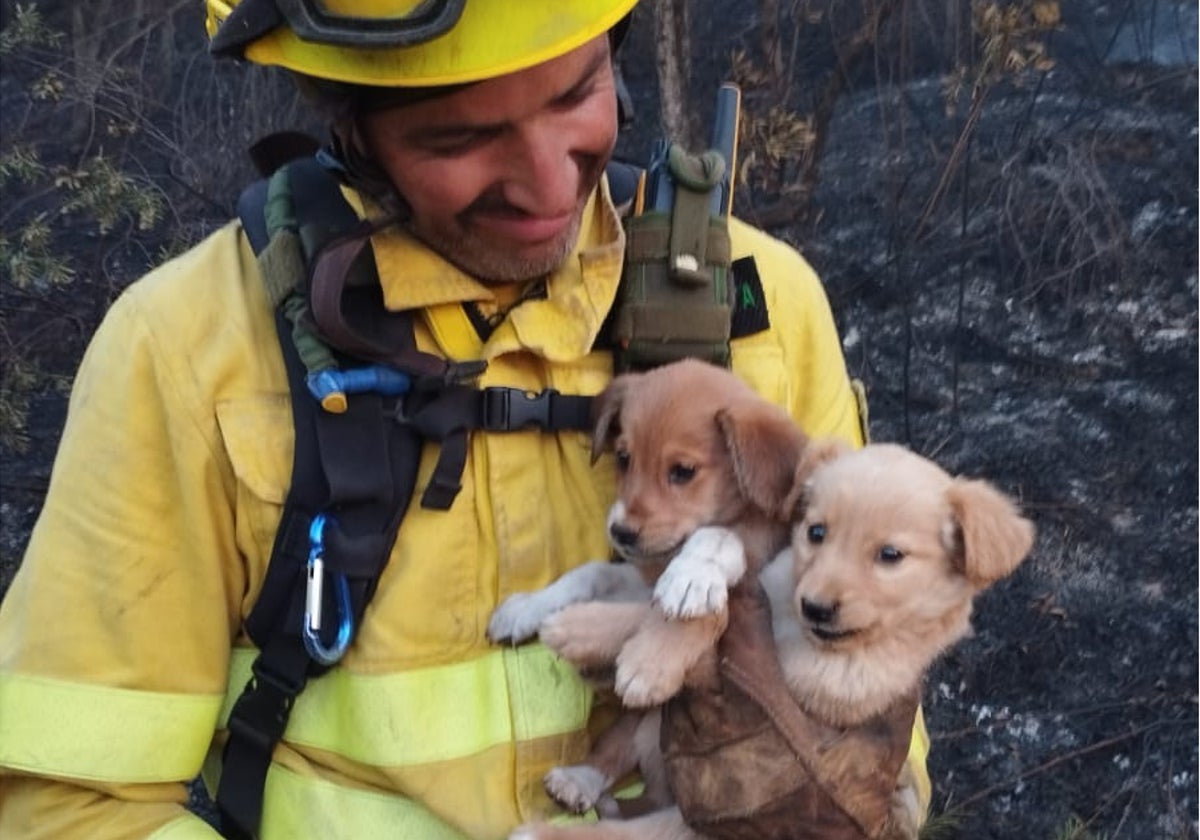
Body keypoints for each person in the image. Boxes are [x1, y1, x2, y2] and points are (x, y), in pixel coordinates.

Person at [0, 2, 930, 838]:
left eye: (578, 93)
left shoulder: (755, 309)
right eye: (457, 139)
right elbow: (72, 803)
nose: (543, 184)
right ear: (349, 128)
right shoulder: (192, 350)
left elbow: (882, 724)